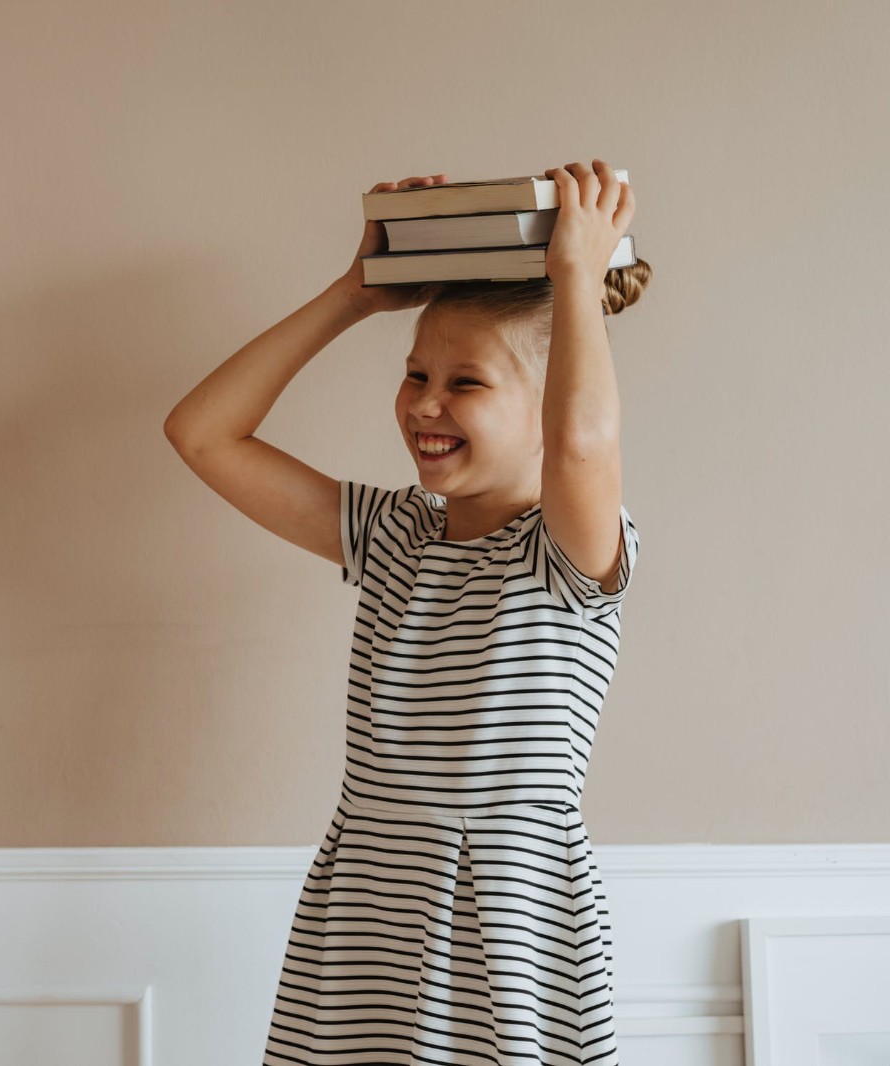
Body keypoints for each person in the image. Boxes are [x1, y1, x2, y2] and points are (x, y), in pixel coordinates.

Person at [165, 162, 650, 1065]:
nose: (425, 402)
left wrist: (576, 278)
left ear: (547, 404)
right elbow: (202, 431)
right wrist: (358, 293)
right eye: (416, 372)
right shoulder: (393, 533)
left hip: (509, 928)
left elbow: (584, 443)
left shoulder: (569, 557)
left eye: (465, 384)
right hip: (366, 920)